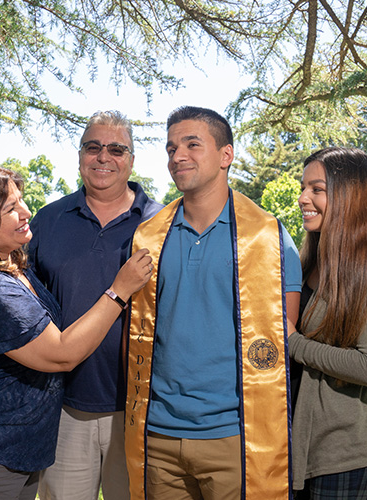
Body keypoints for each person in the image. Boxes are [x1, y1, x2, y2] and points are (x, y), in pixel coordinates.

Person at [0, 163, 154, 500]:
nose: (27, 212)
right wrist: (119, 290)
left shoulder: (10, 267)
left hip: (14, 447)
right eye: (11, 208)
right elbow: (61, 354)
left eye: (21, 201)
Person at [125, 106, 302, 499]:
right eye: (171, 148)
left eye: (192, 144)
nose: (177, 156)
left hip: (237, 439)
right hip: (159, 437)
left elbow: (279, 344)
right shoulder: (148, 237)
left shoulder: (268, 237)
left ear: (226, 155)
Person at [27, 110, 163, 500]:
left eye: (116, 149)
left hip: (141, 408)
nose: (104, 157)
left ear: (132, 160)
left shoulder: (161, 223)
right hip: (61, 406)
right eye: (93, 147)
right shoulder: (48, 221)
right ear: (80, 154)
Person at [290, 147, 367, 500]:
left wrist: (293, 343)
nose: (303, 198)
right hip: (303, 446)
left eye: (317, 189)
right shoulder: (311, 257)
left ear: (349, 195)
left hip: (349, 454)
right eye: (304, 187)